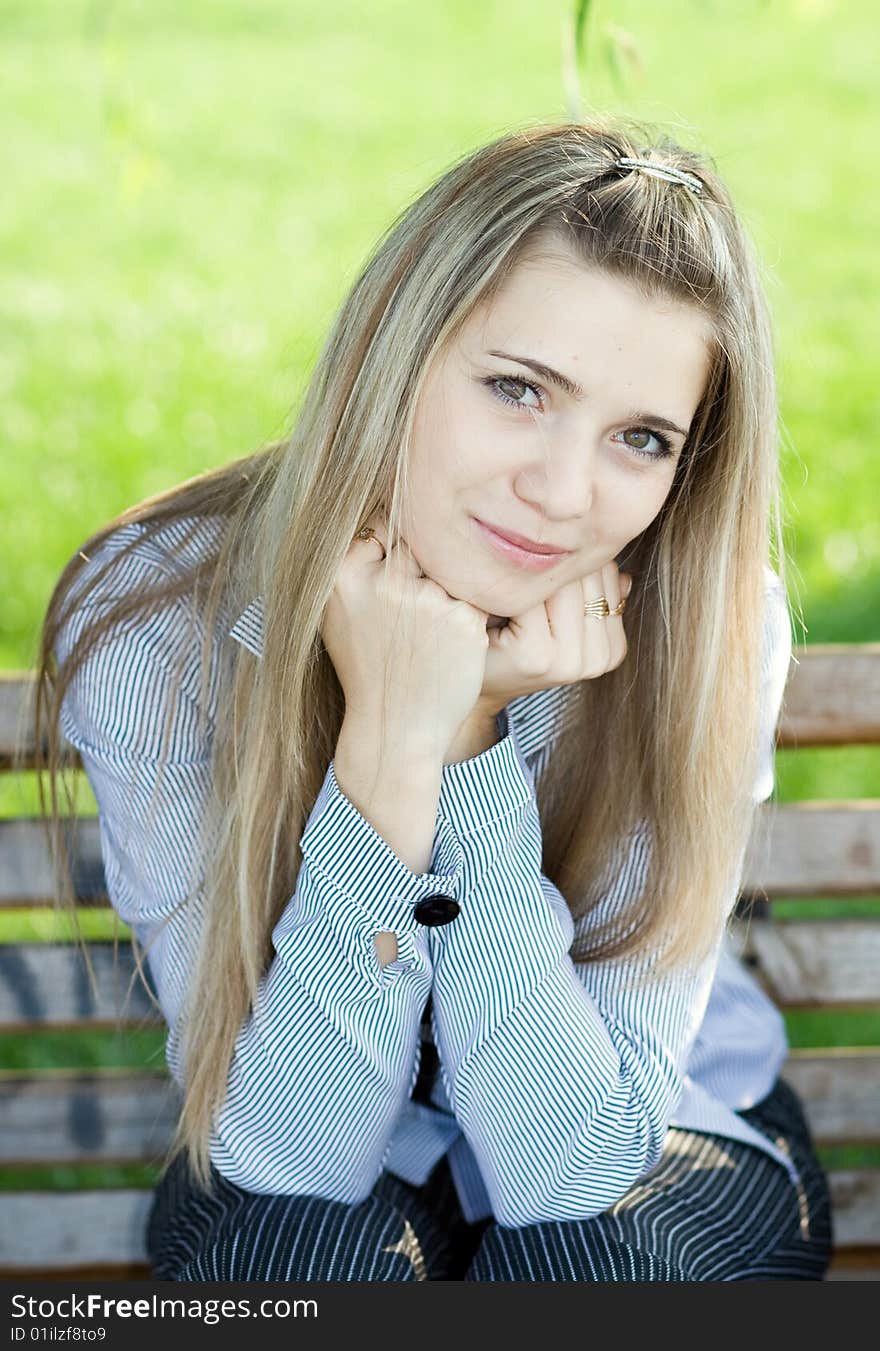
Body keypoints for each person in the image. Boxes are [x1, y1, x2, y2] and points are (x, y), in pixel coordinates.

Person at [35, 116, 833, 1281]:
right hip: (306, 1133)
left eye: (641, 438)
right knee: (296, 1260)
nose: (561, 494)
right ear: (392, 355)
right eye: (517, 388)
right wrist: (391, 742)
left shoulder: (706, 616)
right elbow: (296, 1157)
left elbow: (566, 1173)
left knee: (589, 1271)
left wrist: (466, 743)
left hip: (655, 1136)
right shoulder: (160, 615)